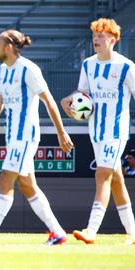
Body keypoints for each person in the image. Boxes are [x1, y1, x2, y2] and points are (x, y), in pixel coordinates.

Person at [0, 29, 73, 245]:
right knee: (28, 185)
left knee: (5, 179)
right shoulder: (3, 70)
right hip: (13, 136)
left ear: (9, 47)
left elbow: (49, 101)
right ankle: (58, 232)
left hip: (25, 135)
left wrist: (61, 132)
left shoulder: (29, 69)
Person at [61, 18, 135, 245]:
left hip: (116, 131)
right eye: (94, 35)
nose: (96, 39)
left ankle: (91, 230)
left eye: (101, 36)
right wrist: (69, 103)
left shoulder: (126, 66)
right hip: (95, 130)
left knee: (102, 175)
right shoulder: (88, 65)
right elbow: (82, 94)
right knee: (116, 180)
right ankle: (133, 233)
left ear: (113, 40)